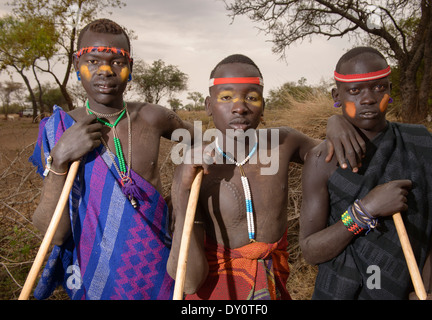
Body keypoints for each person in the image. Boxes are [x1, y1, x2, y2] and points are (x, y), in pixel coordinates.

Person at [166, 54, 366, 300]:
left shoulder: (284, 142)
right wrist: (183, 193)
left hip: (272, 289)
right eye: (226, 97)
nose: (240, 107)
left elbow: (332, 154)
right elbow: (189, 282)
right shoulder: (194, 168)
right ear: (209, 105)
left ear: (263, 107)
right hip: (216, 294)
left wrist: (335, 122)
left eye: (251, 97)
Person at [29, 19, 194, 300]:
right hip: (95, 276)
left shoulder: (153, 117)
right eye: (93, 60)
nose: (105, 71)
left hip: (157, 271)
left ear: (130, 69)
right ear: (76, 63)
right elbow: (53, 235)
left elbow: (202, 143)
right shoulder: (59, 129)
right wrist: (59, 160)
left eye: (117, 62)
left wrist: (180, 196)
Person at [299, 47, 432, 300]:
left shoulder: (423, 144)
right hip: (342, 292)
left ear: (390, 90)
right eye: (355, 91)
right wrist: (363, 212)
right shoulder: (321, 160)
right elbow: (311, 250)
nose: (368, 99)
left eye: (379, 88)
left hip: (409, 291)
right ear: (337, 95)